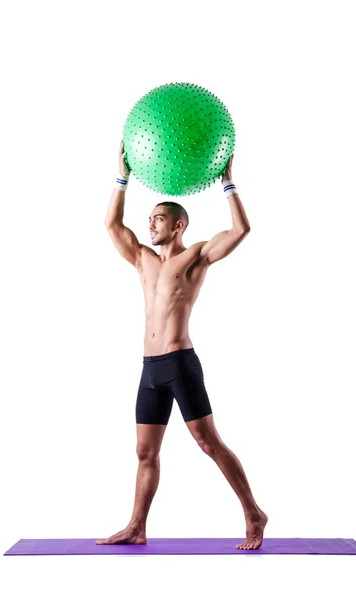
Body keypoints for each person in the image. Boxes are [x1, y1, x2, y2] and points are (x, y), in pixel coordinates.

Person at [96, 141, 268, 551]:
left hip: (179, 363)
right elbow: (112, 226)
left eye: (158, 219)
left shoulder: (195, 256)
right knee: (144, 451)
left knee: (208, 442)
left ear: (178, 226)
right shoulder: (142, 259)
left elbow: (241, 231)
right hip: (149, 369)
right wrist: (122, 177)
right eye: (149, 218)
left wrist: (228, 184)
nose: (150, 223)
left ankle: (253, 513)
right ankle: (136, 526)